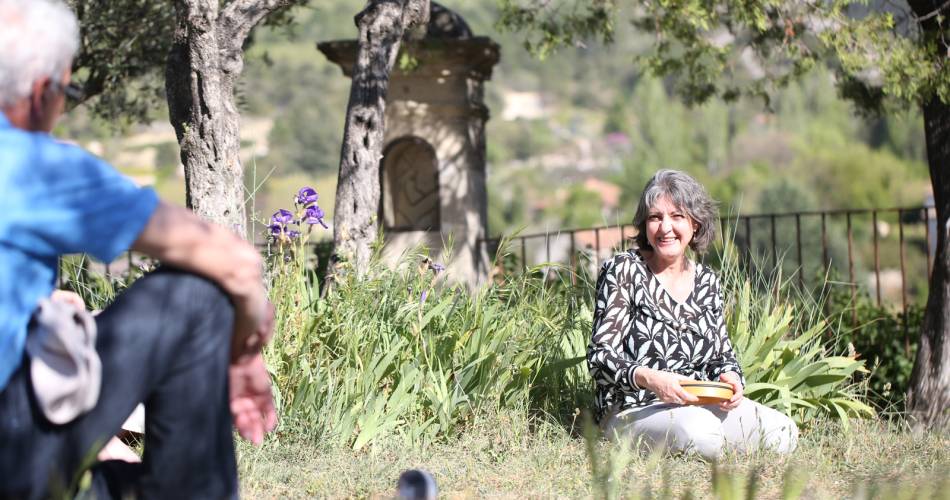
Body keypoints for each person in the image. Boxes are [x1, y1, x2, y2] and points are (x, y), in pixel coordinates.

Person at [0, 0, 276, 497]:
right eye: (68, 91)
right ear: (42, 92)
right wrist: (245, 348)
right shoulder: (28, 166)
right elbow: (233, 260)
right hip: (11, 447)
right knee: (193, 294)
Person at [587, 169, 798, 460]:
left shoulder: (707, 281)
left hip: (698, 407)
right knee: (702, 432)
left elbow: (721, 356)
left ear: (695, 224)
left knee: (782, 432)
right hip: (632, 409)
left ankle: (714, 442)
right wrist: (651, 379)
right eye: (655, 217)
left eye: (677, 216)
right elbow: (600, 356)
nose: (665, 228)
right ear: (645, 224)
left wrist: (731, 378)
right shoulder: (623, 270)